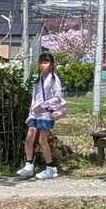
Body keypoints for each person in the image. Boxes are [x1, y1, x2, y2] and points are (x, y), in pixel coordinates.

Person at [15, 52, 65, 180]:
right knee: (29, 138)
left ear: (52, 64)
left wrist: (43, 105)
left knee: (42, 140)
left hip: (46, 114)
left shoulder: (54, 79)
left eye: (46, 62)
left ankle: (51, 168)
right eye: (41, 62)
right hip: (35, 113)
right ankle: (29, 165)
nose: (43, 65)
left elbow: (58, 98)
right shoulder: (38, 79)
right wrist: (31, 112)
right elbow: (34, 98)